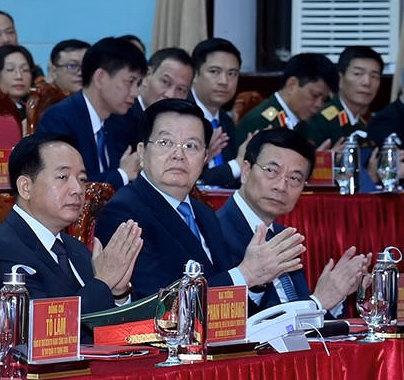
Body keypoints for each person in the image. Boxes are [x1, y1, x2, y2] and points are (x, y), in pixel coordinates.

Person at [94, 98, 306, 299]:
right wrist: (246, 274)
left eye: (191, 146)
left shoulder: (205, 214)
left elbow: (229, 299)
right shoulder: (124, 212)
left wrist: (257, 281)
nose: (178, 155)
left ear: (205, 158)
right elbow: (155, 301)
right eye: (165, 142)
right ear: (142, 152)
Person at [0, 133, 141, 312]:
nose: (78, 189)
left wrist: (118, 293)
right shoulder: (3, 252)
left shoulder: (75, 248)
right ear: (25, 187)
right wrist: (103, 281)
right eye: (63, 177)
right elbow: (42, 324)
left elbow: (101, 314)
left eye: (82, 179)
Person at [213, 126, 370, 315]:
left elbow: (296, 311)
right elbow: (241, 320)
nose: (281, 186)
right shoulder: (215, 231)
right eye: (271, 170)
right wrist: (319, 302)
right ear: (246, 171)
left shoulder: (281, 235)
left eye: (294, 178)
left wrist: (335, 296)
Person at [34, 36, 147, 186]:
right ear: (100, 78)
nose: (135, 93)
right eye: (130, 82)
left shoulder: (126, 121)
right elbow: (65, 185)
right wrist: (122, 175)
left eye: (138, 84)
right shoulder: (59, 120)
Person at [236, 51, 337, 139]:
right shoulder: (259, 122)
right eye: (314, 95)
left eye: (324, 99)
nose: (319, 105)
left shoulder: (304, 124)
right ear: (292, 85)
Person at [189, 37, 244, 188]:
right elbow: (192, 183)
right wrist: (237, 165)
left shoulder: (227, 122)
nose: (224, 81)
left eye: (232, 73)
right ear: (195, 75)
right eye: (214, 71)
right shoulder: (179, 116)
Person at [313, 45, 383, 142]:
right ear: (340, 79)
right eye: (357, 74)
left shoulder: (366, 123)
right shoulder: (321, 121)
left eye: (374, 76)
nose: (367, 82)